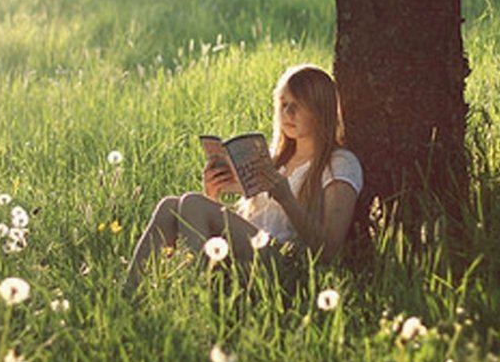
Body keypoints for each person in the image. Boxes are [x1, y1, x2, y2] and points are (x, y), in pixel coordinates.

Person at [124, 64, 363, 292]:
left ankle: (196, 299)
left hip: (289, 264)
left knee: (193, 202)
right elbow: (252, 221)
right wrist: (213, 196)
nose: (287, 113)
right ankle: (127, 298)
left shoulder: (339, 163)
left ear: (321, 110)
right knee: (170, 206)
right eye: (283, 104)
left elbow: (330, 250)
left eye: (297, 105)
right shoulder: (274, 159)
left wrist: (286, 199)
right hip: (251, 254)